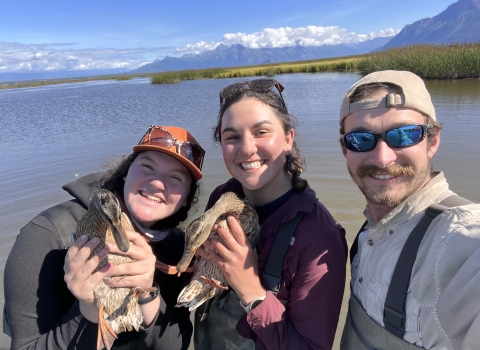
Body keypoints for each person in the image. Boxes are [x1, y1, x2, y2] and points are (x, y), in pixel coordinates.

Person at [4, 125, 205, 349]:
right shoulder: (49, 236)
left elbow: (177, 344)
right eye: (147, 166)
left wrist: (148, 294)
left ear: (187, 197)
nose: (157, 183)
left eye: (176, 177)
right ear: (126, 172)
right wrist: (89, 310)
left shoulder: (178, 247)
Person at [193, 79, 347, 349]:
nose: (247, 148)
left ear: (288, 138)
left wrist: (251, 290)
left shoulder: (319, 236)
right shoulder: (221, 198)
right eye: (232, 137)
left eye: (261, 131)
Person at [338, 70, 480, 349]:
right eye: (361, 139)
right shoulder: (369, 231)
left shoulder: (460, 239)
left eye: (403, 135)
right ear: (345, 149)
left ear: (432, 141)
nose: (382, 158)